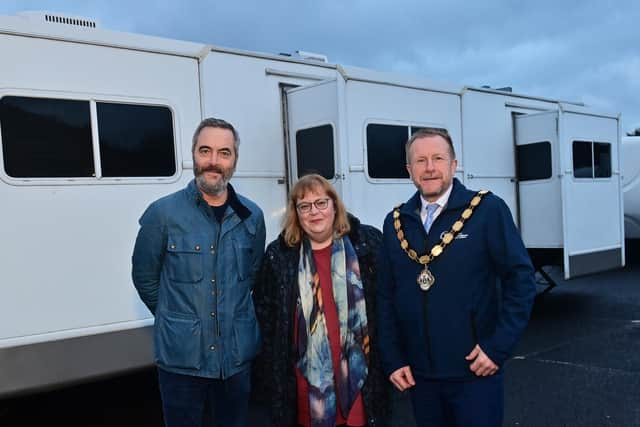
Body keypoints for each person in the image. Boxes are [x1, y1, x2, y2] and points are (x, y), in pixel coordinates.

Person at [377, 128, 536, 427]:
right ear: (409, 170)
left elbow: (521, 281)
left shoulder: (487, 210)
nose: (430, 168)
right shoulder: (396, 222)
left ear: (454, 164)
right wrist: (393, 358)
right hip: (419, 377)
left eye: (438, 158)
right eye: (420, 161)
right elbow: (386, 295)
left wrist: (497, 347)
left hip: (475, 372)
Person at [132, 117, 266, 427]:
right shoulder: (162, 214)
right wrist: (175, 319)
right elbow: (145, 278)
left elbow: (252, 275)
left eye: (224, 152)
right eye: (205, 151)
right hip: (182, 362)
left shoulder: (252, 216)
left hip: (235, 361)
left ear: (234, 159)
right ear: (192, 154)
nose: (214, 162)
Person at [252, 174, 390, 427]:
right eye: (304, 206)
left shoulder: (367, 244)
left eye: (321, 203)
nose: (314, 212)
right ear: (296, 213)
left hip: (360, 375)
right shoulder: (279, 256)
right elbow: (266, 320)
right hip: (307, 382)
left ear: (334, 205)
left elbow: (387, 306)